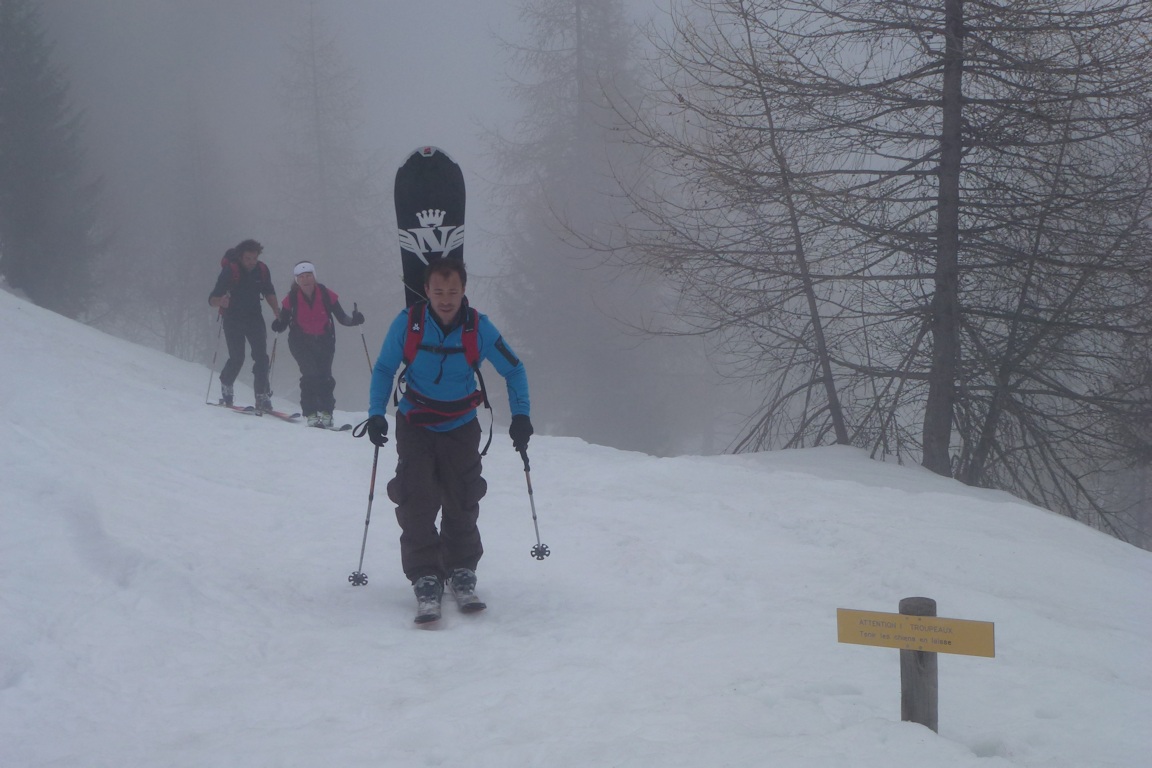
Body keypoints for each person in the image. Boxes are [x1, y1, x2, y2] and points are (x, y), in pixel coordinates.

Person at [365, 257, 532, 623]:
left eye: (452, 292)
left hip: (460, 425)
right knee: (416, 497)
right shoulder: (408, 324)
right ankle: (425, 575)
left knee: (462, 496)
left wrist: (521, 416)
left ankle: (461, 570)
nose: (445, 299)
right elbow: (384, 367)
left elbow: (514, 369)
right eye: (438, 291)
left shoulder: (479, 329)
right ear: (426, 291)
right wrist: (376, 412)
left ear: (463, 291)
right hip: (416, 423)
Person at [270, 261, 365, 428]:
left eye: (308, 275)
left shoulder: (326, 294)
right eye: (301, 277)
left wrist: (354, 320)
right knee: (310, 375)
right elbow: (283, 322)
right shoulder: (292, 298)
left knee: (325, 377)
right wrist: (278, 324)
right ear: (297, 280)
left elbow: (342, 318)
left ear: (314, 276)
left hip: (325, 341)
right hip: (300, 342)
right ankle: (311, 413)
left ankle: (327, 412)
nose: (305, 280)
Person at [208, 239, 279, 411]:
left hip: (254, 318)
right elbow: (212, 299)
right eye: (248, 258)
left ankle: (262, 395)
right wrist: (221, 302)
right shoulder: (230, 271)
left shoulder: (261, 270)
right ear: (240, 257)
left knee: (261, 357)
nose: (252, 262)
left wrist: (278, 312)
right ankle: (226, 383)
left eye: (254, 258)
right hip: (233, 318)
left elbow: (268, 291)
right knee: (237, 357)